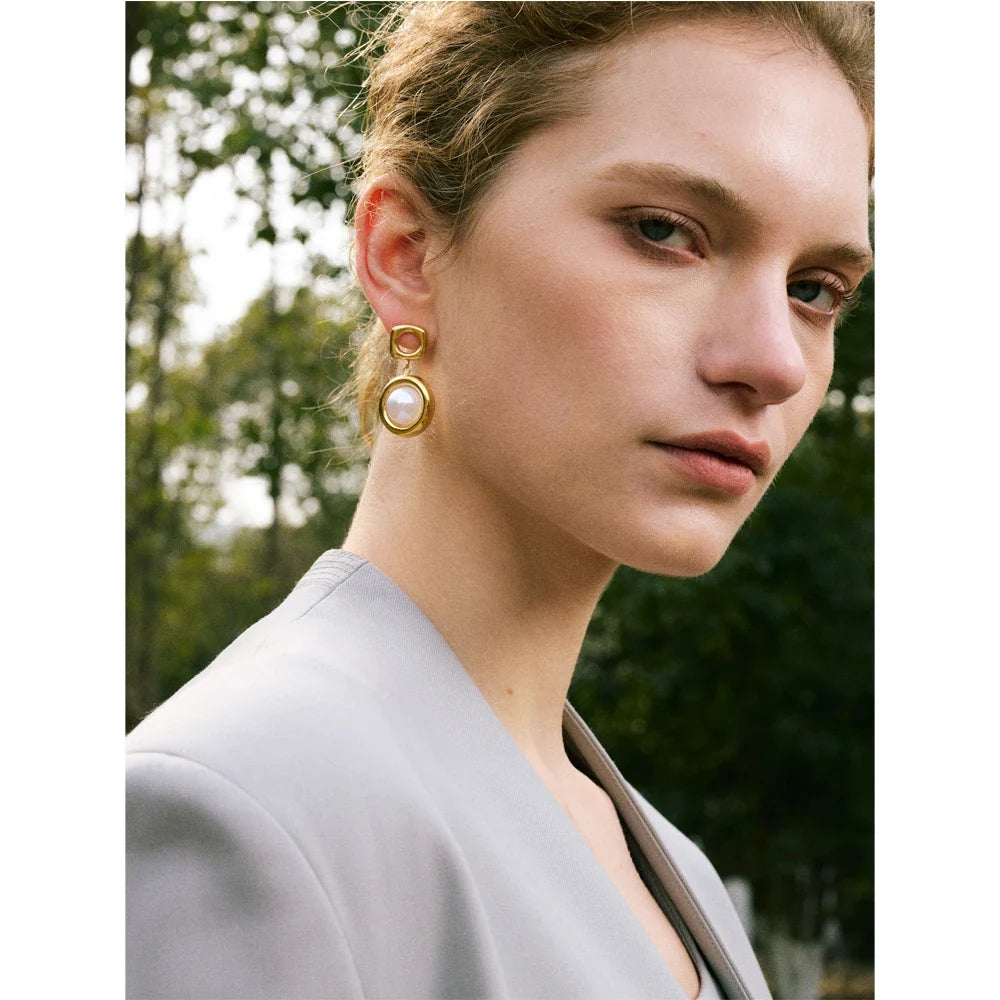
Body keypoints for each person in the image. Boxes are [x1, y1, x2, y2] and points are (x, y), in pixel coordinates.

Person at [126, 3, 873, 998]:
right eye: (663, 232)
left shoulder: (679, 876)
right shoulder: (238, 808)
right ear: (405, 254)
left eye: (815, 289)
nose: (775, 361)